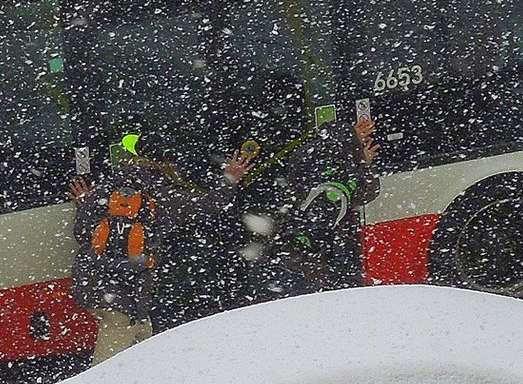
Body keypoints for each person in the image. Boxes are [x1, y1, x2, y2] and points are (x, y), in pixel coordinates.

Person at [68, 132, 251, 362]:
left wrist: (85, 202)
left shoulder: (108, 188)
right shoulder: (162, 195)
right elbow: (209, 205)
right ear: (167, 162)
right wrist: (230, 179)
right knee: (108, 363)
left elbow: (83, 234)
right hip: (125, 294)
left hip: (94, 284)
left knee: (142, 336)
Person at [249, 115, 381, 300]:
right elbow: (305, 159)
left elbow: (368, 193)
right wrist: (350, 137)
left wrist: (362, 164)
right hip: (300, 249)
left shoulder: (349, 169)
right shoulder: (311, 162)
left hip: (325, 252)